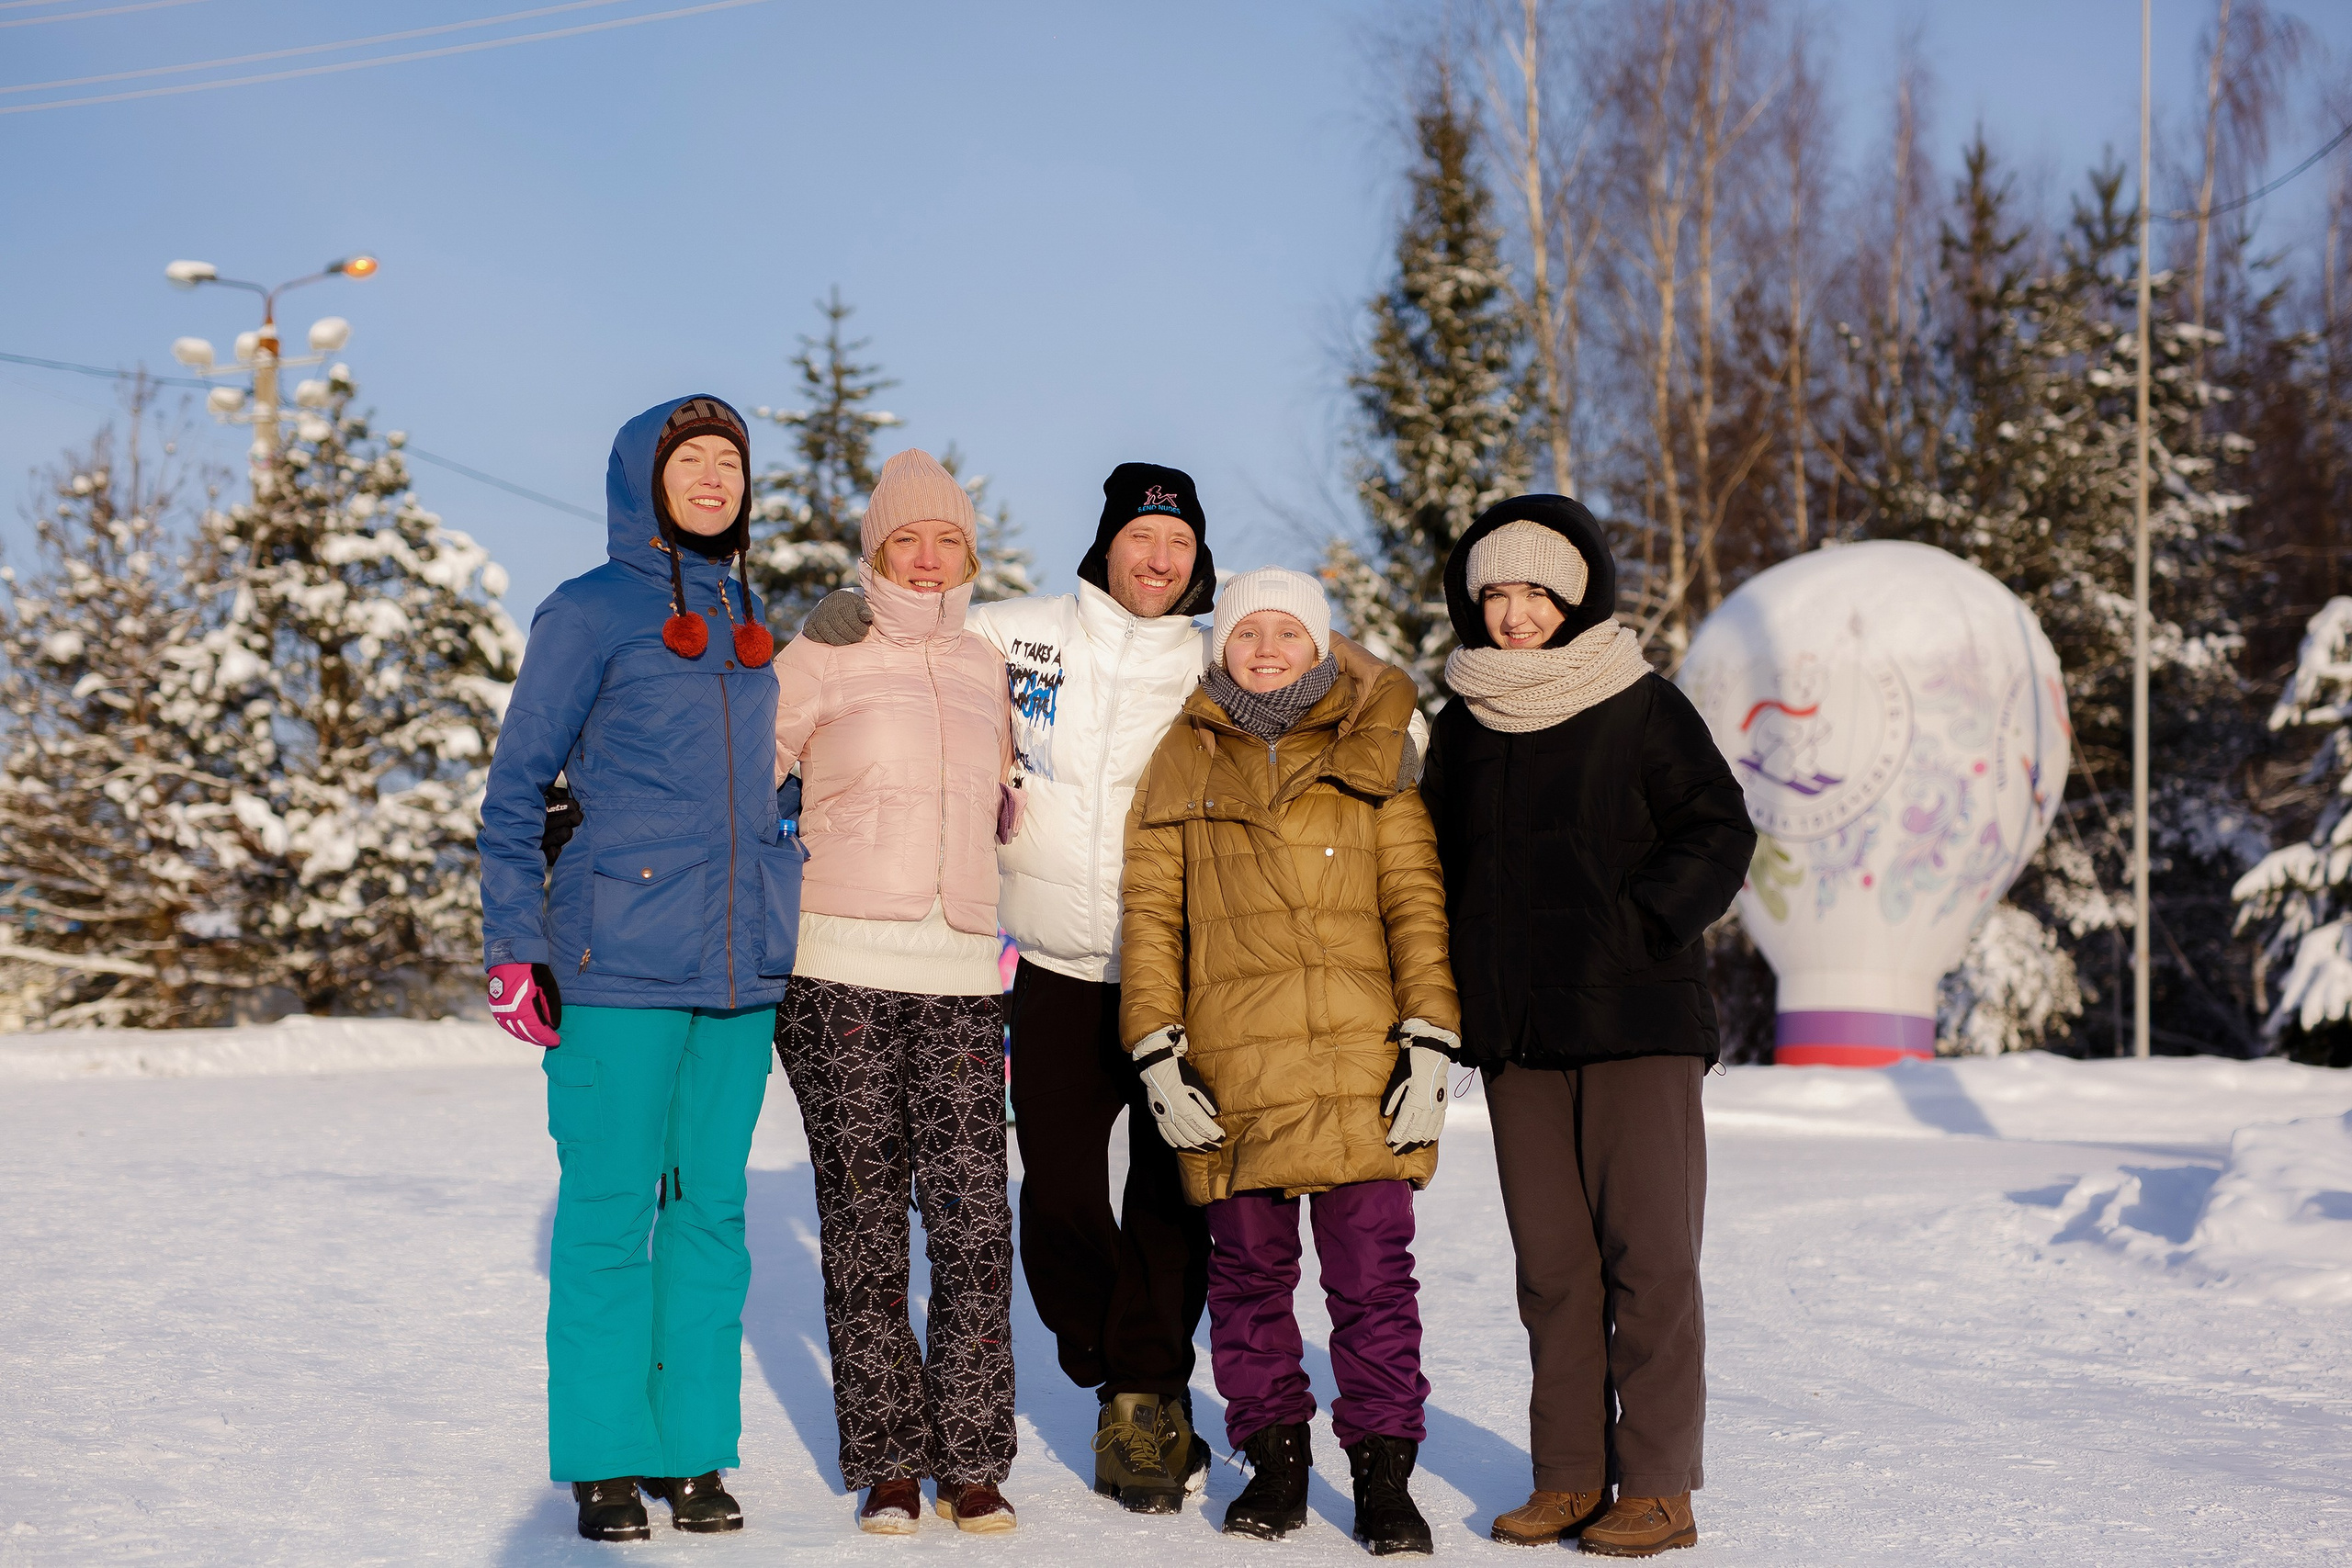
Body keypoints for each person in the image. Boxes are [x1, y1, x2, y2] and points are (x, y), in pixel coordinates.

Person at [800, 462, 1221, 1513]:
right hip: (1049, 965)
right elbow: (912, 626)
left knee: (1173, 1201)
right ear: (1107, 546)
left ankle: (1142, 1403)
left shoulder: (1223, 654)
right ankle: (1105, 1349)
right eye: (1139, 540)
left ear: (1198, 557)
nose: (1157, 560)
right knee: (1061, 1193)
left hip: (1181, 973)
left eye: (1176, 544)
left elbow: (1333, 676)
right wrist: (841, 611)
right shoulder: (1016, 633)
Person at [479, 394, 798, 1543]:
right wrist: (515, 946)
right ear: (643, 481)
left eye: (729, 462)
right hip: (616, 962)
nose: (714, 479)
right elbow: (515, 793)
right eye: (691, 462)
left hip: (739, 972)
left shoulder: (758, 619)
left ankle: (693, 1450)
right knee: (613, 1215)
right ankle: (607, 1456)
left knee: (712, 1213)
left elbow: (772, 782)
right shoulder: (590, 611)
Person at [1418, 496, 1754, 1558]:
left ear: (1576, 596)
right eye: (1497, 594)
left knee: (1648, 1258)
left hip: (1634, 1019)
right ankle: (1567, 1476)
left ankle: (1656, 1484)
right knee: (1551, 1267)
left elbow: (1718, 826)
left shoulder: (1639, 703)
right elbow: (1432, 863)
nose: (1516, 615)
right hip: (1515, 1032)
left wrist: (1644, 923)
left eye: (1536, 593)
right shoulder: (1466, 721)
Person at [1118, 566, 1460, 1555]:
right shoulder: (1181, 758)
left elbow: (1413, 898)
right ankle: (1274, 1464)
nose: (1265, 649)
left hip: (1361, 1061)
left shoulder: (1374, 751)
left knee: (1372, 1283)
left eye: (1287, 633)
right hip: (1232, 1071)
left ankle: (1384, 1475)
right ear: (1219, 646)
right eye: (1246, 633)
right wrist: (1155, 1050)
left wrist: (1431, 1037)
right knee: (1248, 1280)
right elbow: (1150, 919)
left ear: (1320, 647)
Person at [768, 448, 1022, 1536]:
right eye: (904, 540)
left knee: (974, 1220)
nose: (926, 559)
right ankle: (887, 1460)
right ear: (874, 551)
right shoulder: (819, 652)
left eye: (946, 540)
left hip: (963, 968)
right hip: (838, 970)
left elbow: (1009, 787)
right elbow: (742, 771)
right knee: (865, 1221)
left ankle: (972, 1456)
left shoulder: (987, 664)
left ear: (970, 553)